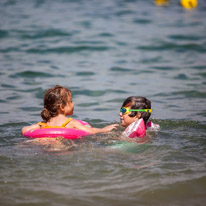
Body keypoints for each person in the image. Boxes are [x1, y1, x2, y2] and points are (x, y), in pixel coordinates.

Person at [22, 85, 118, 135]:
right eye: (70, 101)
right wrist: (104, 130)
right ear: (62, 107)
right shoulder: (71, 123)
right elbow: (90, 131)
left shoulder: (43, 123)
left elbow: (25, 130)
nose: (73, 103)